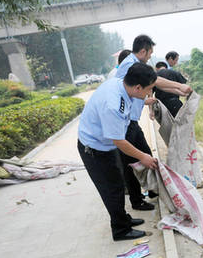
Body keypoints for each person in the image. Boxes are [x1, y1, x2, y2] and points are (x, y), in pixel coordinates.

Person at [77, 62, 158, 241]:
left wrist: (145, 101)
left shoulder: (119, 84)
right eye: (148, 90)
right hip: (94, 149)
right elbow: (119, 140)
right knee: (112, 189)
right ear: (138, 87)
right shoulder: (113, 105)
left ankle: (124, 219)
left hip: (103, 145)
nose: (148, 93)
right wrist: (143, 157)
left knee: (117, 183)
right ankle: (120, 230)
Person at [116, 35, 191, 210]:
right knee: (132, 162)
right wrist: (179, 87)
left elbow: (138, 88)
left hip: (132, 121)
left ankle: (151, 190)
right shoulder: (132, 65)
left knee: (146, 154)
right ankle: (137, 201)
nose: (150, 57)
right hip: (125, 123)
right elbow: (154, 81)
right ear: (143, 51)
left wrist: (145, 102)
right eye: (150, 53)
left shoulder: (133, 63)